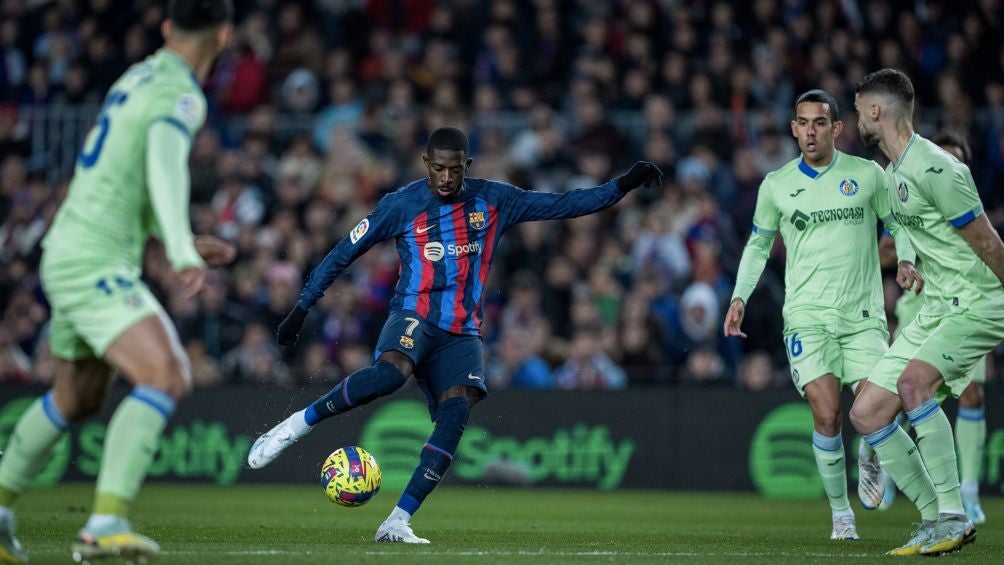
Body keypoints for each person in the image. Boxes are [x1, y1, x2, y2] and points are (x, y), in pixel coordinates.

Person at [247, 126, 662, 543]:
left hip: (462, 332)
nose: (446, 178)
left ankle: (397, 521)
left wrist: (620, 186)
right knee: (389, 375)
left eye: (455, 169)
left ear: (468, 165)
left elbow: (564, 204)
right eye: (439, 169)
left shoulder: (494, 200)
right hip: (415, 314)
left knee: (456, 414)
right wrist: (302, 306)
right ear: (426, 164)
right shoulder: (402, 204)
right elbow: (344, 252)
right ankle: (295, 425)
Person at [0, 2, 235, 563]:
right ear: (223, 36)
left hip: (71, 249)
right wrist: (179, 249)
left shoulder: (138, 75)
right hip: (92, 261)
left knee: (75, 398)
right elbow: (163, 169)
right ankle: (105, 522)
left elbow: (129, 176)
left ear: (166, 28)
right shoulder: (179, 93)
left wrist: (175, 236)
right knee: (167, 373)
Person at [723, 89, 919, 541]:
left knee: (877, 411)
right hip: (808, 317)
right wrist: (738, 297)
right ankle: (841, 516)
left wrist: (905, 259)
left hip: (863, 316)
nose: (810, 131)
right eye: (802, 123)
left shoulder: (868, 175)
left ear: (836, 129)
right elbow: (757, 245)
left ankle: (872, 447)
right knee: (827, 414)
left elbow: (898, 224)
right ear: (794, 129)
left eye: (819, 123)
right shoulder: (776, 184)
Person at [848, 68, 1004, 556]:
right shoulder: (895, 174)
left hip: (977, 302)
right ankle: (935, 517)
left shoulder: (939, 169)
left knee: (914, 384)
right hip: (937, 306)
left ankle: (955, 515)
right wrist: (913, 264)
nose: (856, 121)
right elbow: (922, 234)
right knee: (867, 413)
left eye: (857, 111)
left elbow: (990, 245)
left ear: (876, 110)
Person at [875, 131, 990, 524]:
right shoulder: (912, 194)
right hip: (919, 308)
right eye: (944, 155)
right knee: (906, 395)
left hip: (965, 307)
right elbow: (887, 249)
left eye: (957, 159)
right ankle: (893, 472)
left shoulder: (965, 207)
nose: (948, 163)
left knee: (972, 394)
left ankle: (967, 494)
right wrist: (903, 258)